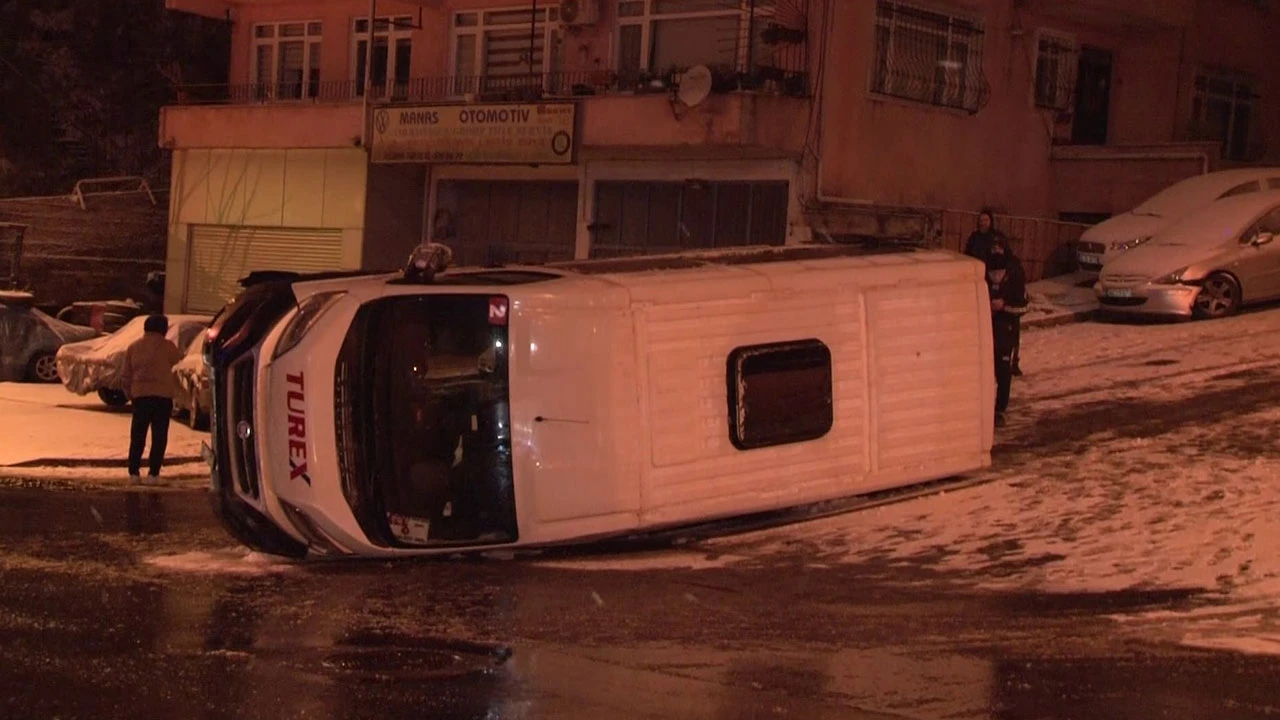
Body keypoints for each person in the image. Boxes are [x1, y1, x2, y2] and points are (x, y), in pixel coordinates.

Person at [120, 314, 184, 485]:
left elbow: (126, 375)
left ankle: (134, 473)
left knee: (138, 436)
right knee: (159, 436)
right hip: (163, 397)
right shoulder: (168, 347)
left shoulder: (134, 347)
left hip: (140, 396)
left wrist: (130, 394)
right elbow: (178, 363)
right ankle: (153, 474)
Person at [965, 209, 1024, 376]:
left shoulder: (998, 240)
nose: (983, 223)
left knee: (1009, 331)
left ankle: (1012, 361)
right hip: (981, 284)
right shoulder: (974, 239)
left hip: (1002, 293)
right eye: (981, 220)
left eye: (986, 220)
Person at [985, 248, 1028, 428]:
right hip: (987, 336)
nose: (995, 277)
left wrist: (1004, 306)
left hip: (1005, 334)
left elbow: (1022, 308)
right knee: (986, 373)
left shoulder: (1014, 284)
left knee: (1003, 373)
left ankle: (1000, 409)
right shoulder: (983, 281)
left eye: (999, 274)